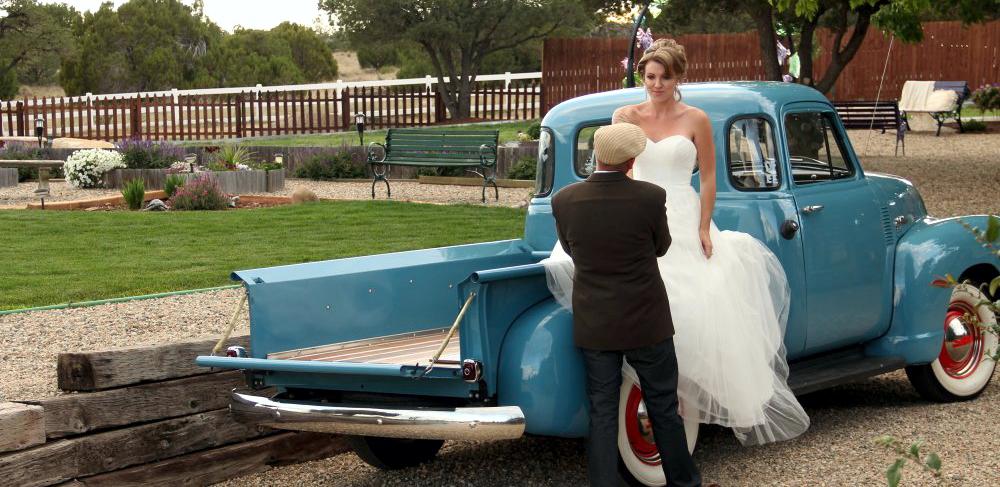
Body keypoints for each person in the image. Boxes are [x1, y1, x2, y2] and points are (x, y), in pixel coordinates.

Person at [544, 37, 810, 452]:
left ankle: (678, 393)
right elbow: (620, 170)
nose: (656, 85)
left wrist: (704, 227)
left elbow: (706, 177)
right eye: (650, 77)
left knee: (698, 299)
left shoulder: (696, 119)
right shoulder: (625, 115)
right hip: (635, 210)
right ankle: (653, 393)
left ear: (678, 78)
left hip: (682, 213)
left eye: (664, 77)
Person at [550, 123, 701, 486]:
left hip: (595, 322)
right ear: (631, 160)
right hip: (645, 318)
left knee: (602, 411)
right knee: (663, 406)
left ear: (596, 157)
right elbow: (661, 246)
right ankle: (684, 483)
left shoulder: (564, 200)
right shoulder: (650, 197)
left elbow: (571, 250)